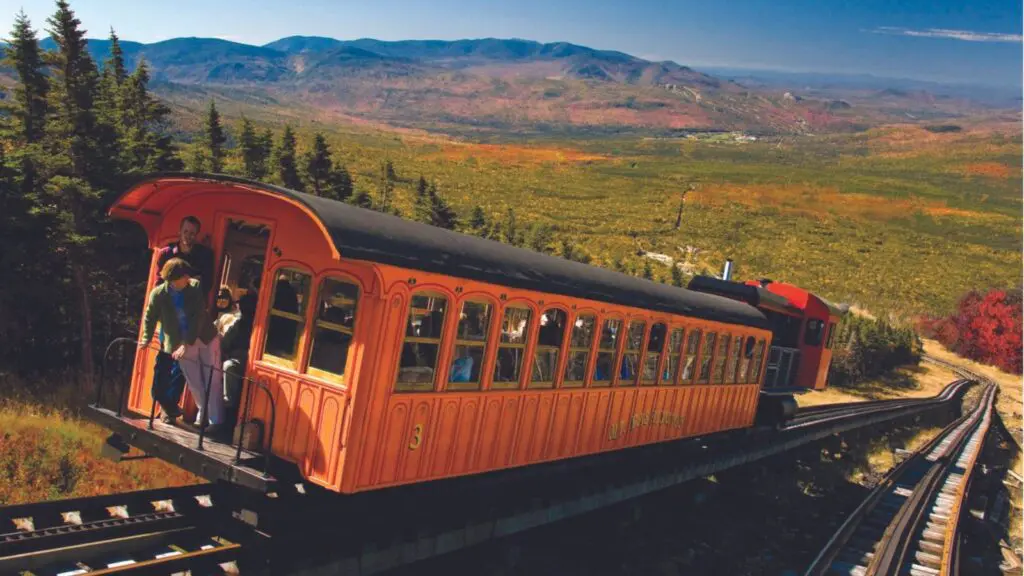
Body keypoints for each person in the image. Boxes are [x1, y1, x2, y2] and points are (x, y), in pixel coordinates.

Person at [141, 258, 226, 435]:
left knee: (212, 376)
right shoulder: (158, 294)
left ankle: (216, 421)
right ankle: (203, 415)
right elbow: (150, 316)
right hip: (179, 343)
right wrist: (146, 338)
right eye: (184, 276)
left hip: (204, 337)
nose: (188, 279)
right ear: (173, 279)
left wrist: (187, 343)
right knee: (194, 380)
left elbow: (198, 316)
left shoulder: (194, 287)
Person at [147, 216, 215, 424]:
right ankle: (161, 400)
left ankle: (169, 407)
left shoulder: (204, 256)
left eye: (193, 233)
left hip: (190, 318)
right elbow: (160, 283)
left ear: (197, 234)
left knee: (182, 365)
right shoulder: (167, 253)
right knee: (164, 359)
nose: (189, 236)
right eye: (186, 232)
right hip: (170, 317)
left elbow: (207, 285)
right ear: (180, 231)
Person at [220, 292, 257, 427]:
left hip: (244, 360)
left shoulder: (249, 324)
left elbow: (225, 343)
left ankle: (228, 411)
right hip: (240, 358)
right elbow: (225, 343)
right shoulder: (239, 323)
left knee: (229, 367)